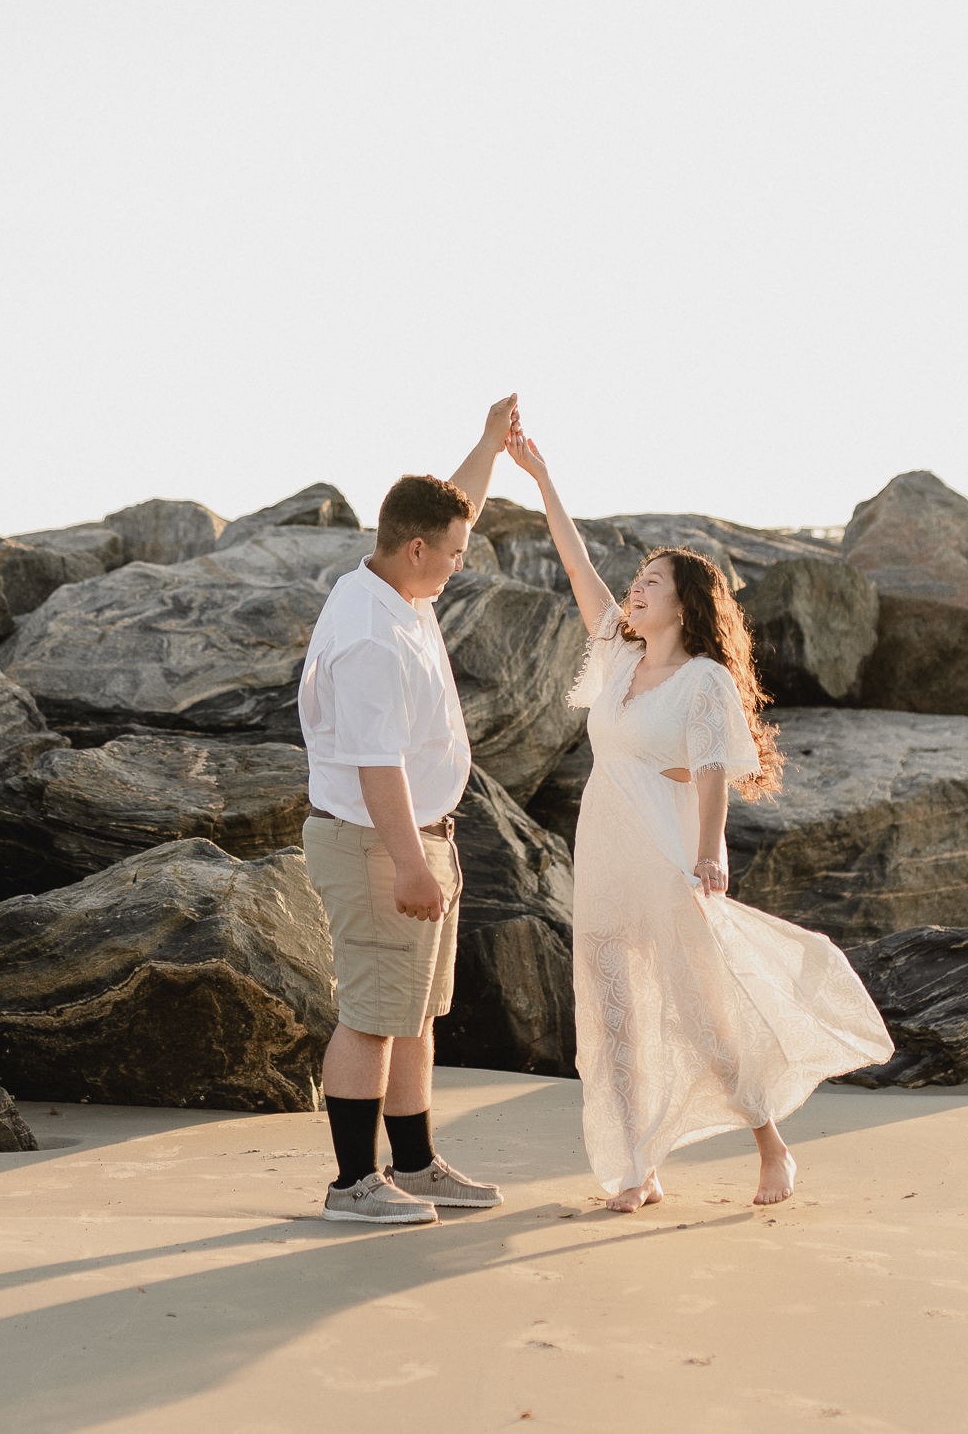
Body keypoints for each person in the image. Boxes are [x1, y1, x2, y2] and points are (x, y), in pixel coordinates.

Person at [504, 424, 894, 1212]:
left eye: (652, 580)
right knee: (616, 1016)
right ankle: (637, 1166)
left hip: (666, 851)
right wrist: (541, 478)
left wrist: (710, 850)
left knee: (700, 1014)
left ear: (685, 602)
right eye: (637, 579)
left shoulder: (705, 681)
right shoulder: (617, 658)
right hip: (605, 855)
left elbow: (712, 770)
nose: (635, 589)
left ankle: (770, 1148)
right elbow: (576, 564)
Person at [294, 395, 520, 1225]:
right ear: (415, 548)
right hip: (377, 843)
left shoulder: (400, 589)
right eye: (455, 554)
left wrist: (488, 446)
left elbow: (454, 505)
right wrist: (413, 865)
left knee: (416, 1013)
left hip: (419, 837)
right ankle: (353, 1184)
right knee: (373, 1017)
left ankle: (416, 1165)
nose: (463, 565)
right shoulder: (370, 636)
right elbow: (374, 763)